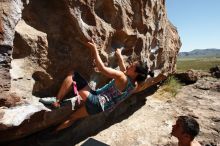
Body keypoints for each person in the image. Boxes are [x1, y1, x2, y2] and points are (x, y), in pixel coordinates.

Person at [41, 41, 154, 131]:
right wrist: (119, 56)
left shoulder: (122, 77)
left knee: (72, 75)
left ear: (135, 73)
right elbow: (124, 69)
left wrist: (94, 49)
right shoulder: (134, 84)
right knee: (72, 118)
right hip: (100, 108)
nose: (129, 65)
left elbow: (102, 68)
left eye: (132, 66)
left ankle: (56, 101)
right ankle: (53, 133)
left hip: (95, 100)